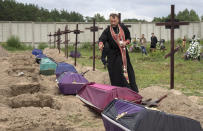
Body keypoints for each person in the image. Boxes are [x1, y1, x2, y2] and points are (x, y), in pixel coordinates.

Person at [98, 13, 138, 92]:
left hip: (123, 53)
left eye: (114, 21)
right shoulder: (107, 30)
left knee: (127, 71)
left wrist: (125, 43)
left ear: (118, 20)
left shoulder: (123, 28)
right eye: (111, 21)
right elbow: (102, 39)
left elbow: (129, 38)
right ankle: (118, 91)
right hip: (112, 55)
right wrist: (101, 44)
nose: (112, 23)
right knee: (115, 73)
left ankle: (131, 90)